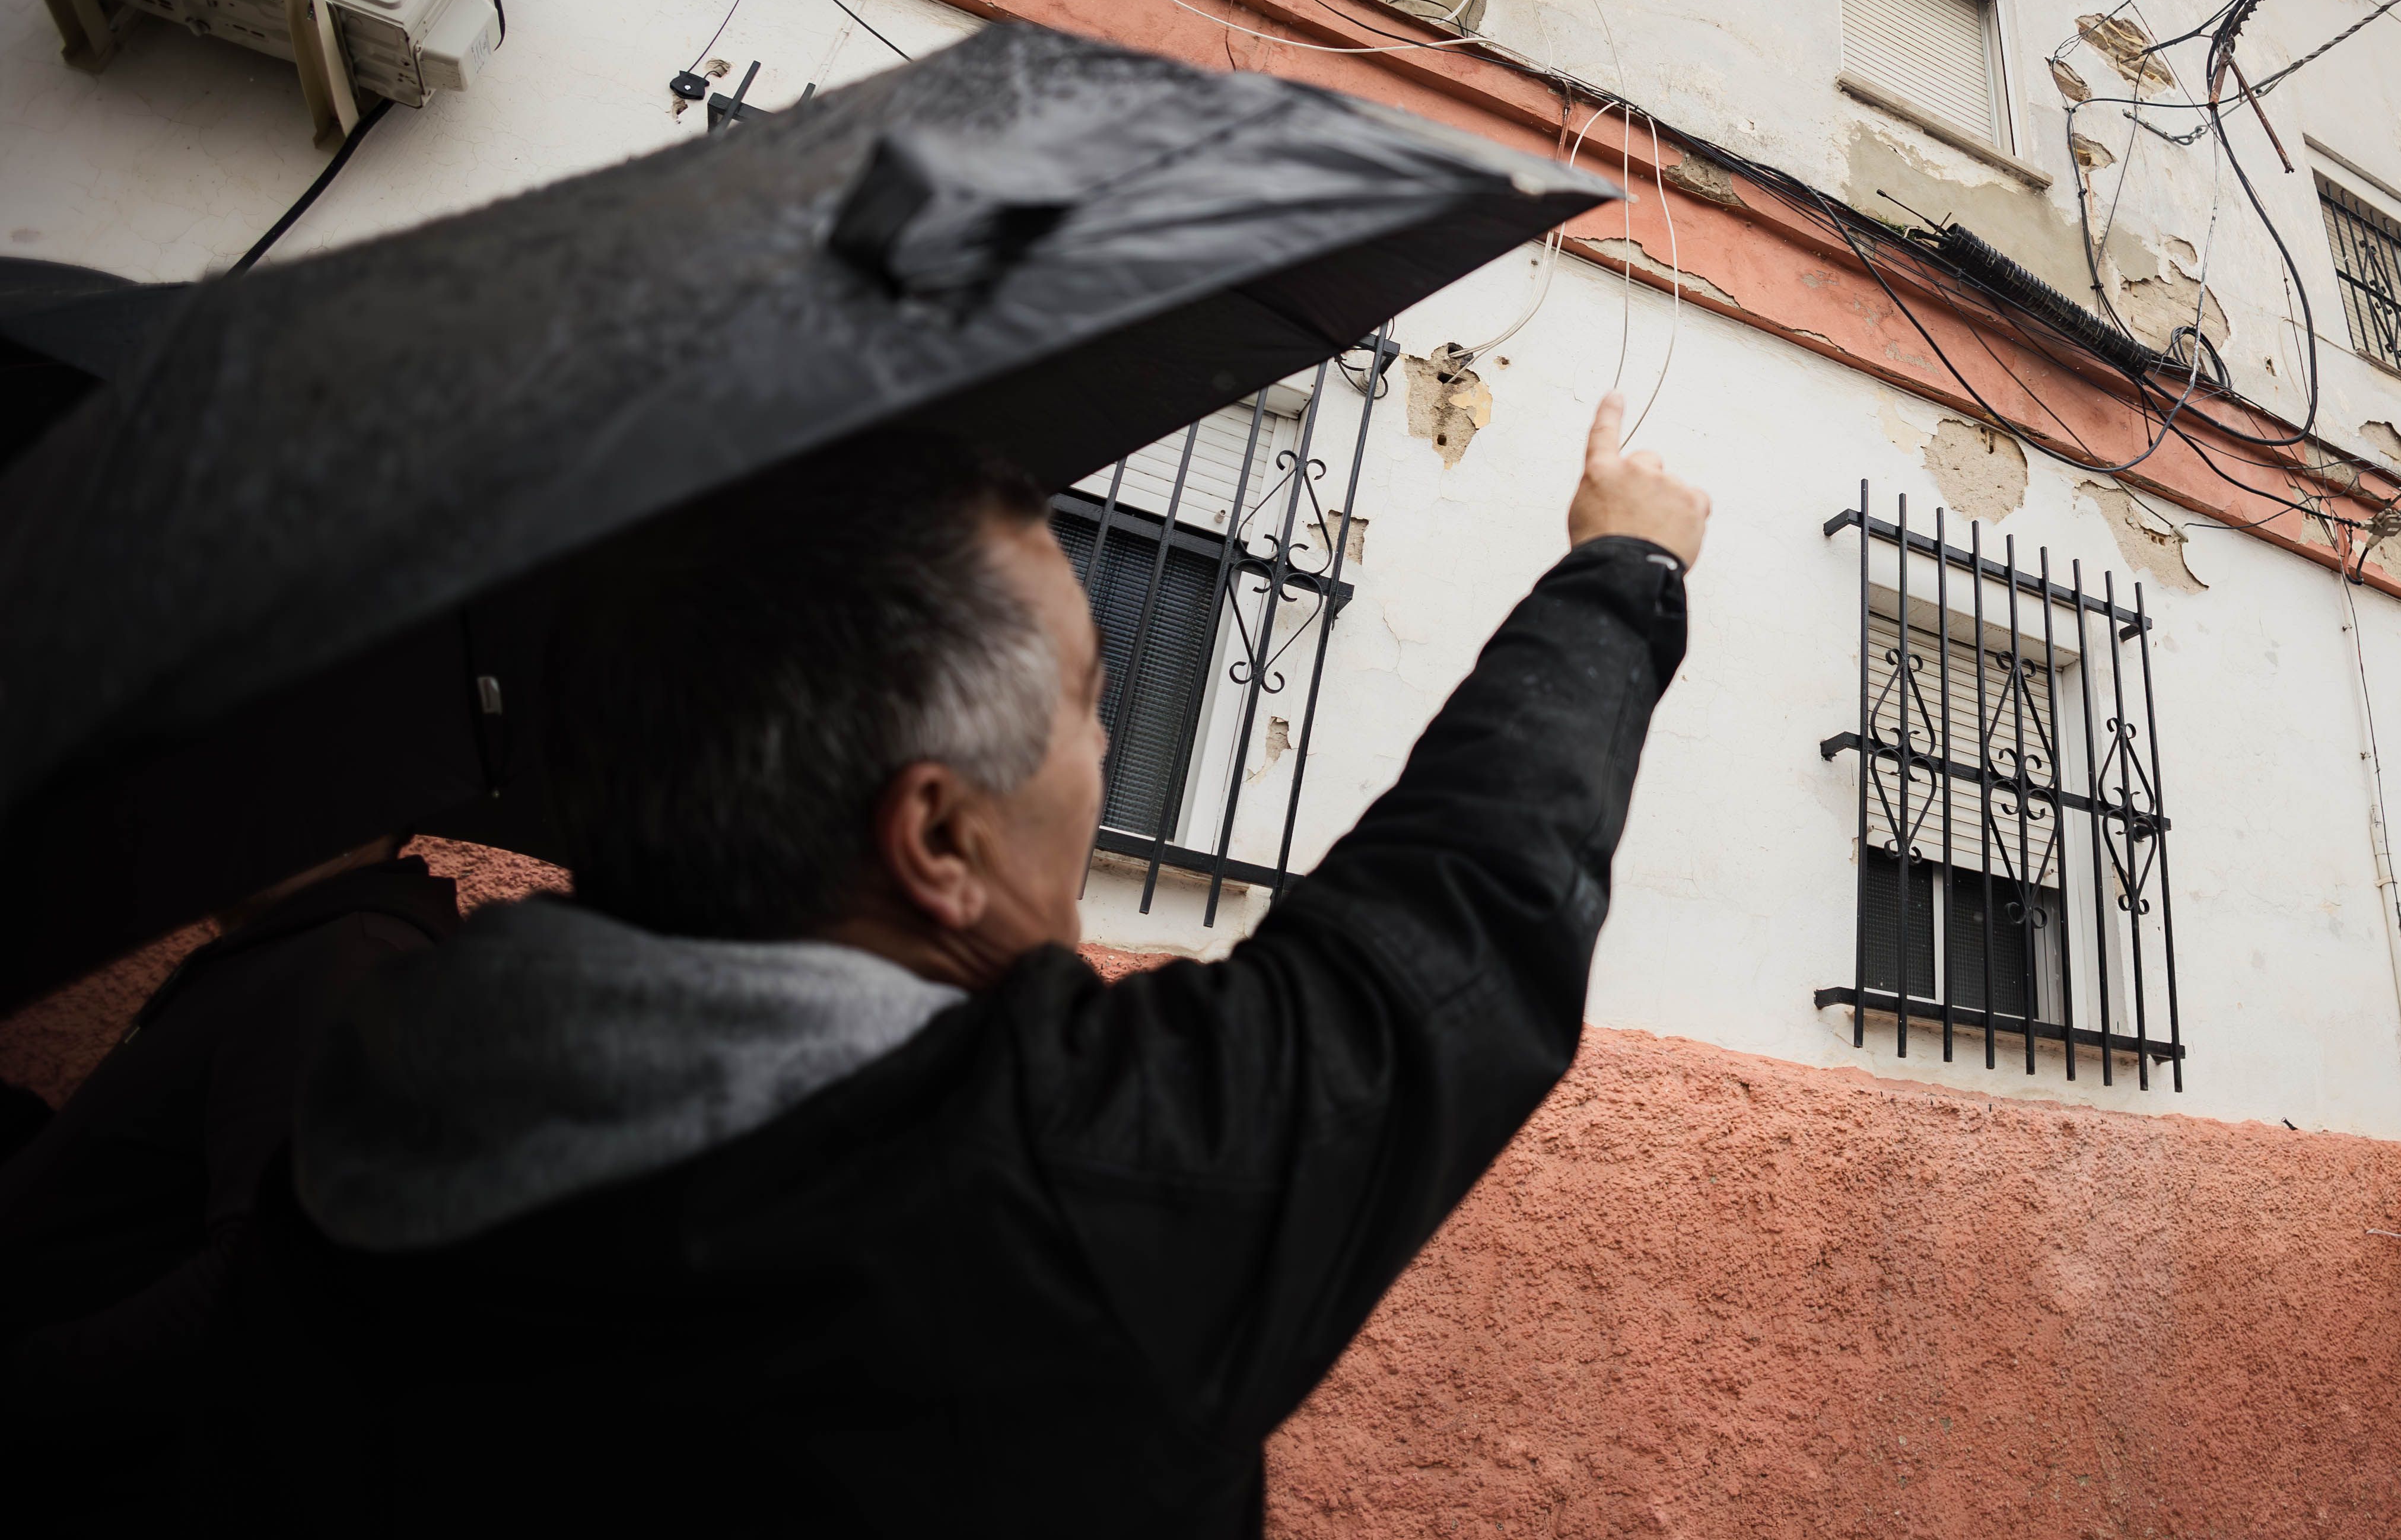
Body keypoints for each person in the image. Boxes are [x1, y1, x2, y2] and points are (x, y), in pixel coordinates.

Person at [222, 392, 1709, 1533]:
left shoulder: (332, 1169)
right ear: (934, 835)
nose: (1107, 748)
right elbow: (1451, 929)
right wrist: (1620, 568)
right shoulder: (1048, 1198)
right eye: (1084, 698)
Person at [0, 834, 457, 1455]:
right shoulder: (300, 944)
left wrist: (24, 1378)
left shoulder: (345, 960)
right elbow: (147, 1188)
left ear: (378, 816)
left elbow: (259, 1283)